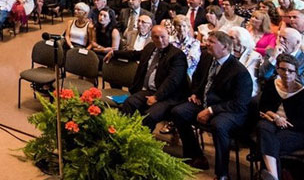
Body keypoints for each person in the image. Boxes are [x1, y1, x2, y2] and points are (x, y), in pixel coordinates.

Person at [170, 31, 252, 178]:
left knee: (219, 126)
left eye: (212, 42)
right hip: (205, 101)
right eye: (208, 40)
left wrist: (211, 110)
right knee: (178, 112)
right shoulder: (207, 57)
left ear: (225, 47)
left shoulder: (239, 72)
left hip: (228, 110)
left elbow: (239, 104)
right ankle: (195, 156)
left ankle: (222, 174)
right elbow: (197, 77)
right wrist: (194, 93)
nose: (207, 44)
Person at [107, 25, 189, 131]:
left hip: (168, 96)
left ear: (168, 36)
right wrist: (114, 53)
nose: (160, 40)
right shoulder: (150, 47)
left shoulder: (177, 55)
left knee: (149, 116)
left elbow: (173, 81)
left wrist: (156, 97)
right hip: (150, 91)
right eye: (156, 37)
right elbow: (134, 54)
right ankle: (123, 133)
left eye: (163, 37)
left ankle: (141, 139)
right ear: (152, 37)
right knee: (129, 103)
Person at [256, 53, 304, 180]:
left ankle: (271, 176)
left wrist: (284, 122)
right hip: (272, 122)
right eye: (283, 69)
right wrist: (275, 117)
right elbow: (263, 108)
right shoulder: (271, 85)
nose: (286, 73)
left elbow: (301, 122)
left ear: (296, 73)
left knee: (269, 143)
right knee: (262, 127)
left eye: (290, 71)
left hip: (294, 131)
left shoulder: (302, 92)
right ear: (277, 69)